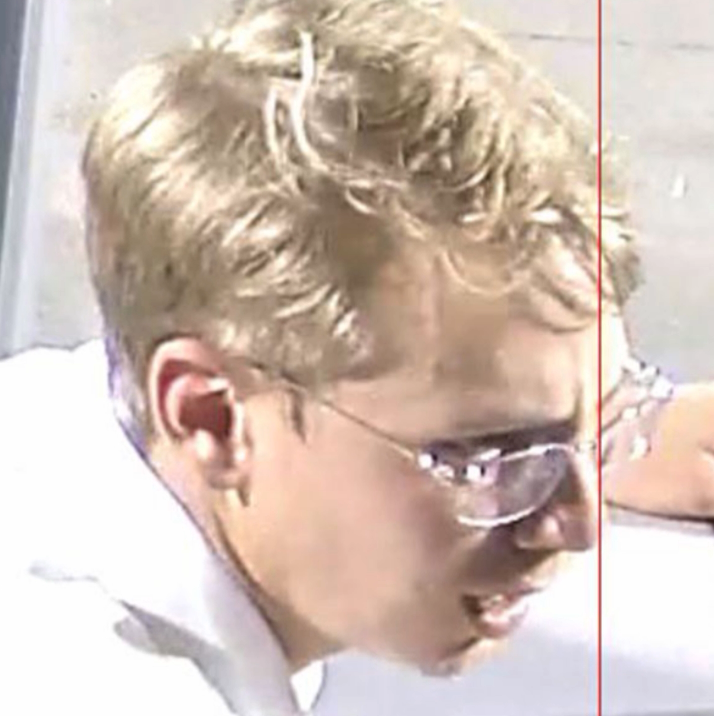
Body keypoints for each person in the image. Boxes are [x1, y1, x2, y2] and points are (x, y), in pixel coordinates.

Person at [0, 0, 637, 713]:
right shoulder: (89, 683)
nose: (583, 525)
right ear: (212, 418)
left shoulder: (61, 423)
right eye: (488, 457)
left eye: (607, 424)